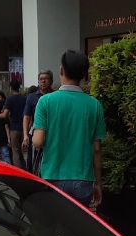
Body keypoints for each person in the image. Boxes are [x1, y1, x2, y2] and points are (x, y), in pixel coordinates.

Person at [32, 50, 105, 209]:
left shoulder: (45, 101)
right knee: (77, 230)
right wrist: (98, 183)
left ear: (61, 70)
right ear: (84, 75)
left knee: (52, 227)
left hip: (52, 176)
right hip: (83, 180)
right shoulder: (94, 105)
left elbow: (37, 142)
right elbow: (97, 149)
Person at [22, 73, 53, 171]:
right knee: (32, 159)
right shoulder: (31, 97)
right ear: (38, 81)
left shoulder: (55, 96)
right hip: (36, 133)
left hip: (52, 133)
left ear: (51, 81)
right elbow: (26, 117)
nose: (43, 81)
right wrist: (25, 135)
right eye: (41, 79)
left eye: (46, 79)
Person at [5, 86, 27, 169]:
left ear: (11, 88)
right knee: (24, 151)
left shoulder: (9, 99)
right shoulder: (24, 99)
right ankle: (27, 168)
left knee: (15, 151)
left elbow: (5, 114)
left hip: (14, 128)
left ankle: (18, 170)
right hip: (24, 127)